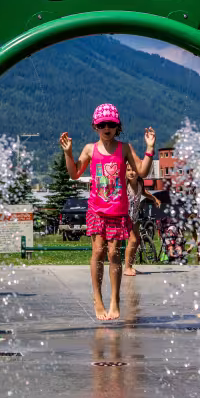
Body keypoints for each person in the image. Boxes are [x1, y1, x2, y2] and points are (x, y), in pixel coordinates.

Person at [59, 103, 156, 321]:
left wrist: (149, 149)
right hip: (96, 209)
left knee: (114, 254)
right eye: (102, 124)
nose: (106, 127)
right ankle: (97, 299)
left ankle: (115, 299)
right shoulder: (90, 149)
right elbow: (74, 174)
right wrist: (68, 153)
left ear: (117, 126)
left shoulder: (125, 149)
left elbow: (142, 171)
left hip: (118, 211)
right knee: (98, 252)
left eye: (110, 124)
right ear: (95, 127)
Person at [123, 164, 161, 276]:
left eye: (134, 170)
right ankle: (127, 268)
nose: (131, 173)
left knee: (137, 241)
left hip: (134, 216)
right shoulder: (125, 184)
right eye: (128, 170)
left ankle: (130, 266)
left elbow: (143, 192)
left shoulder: (140, 183)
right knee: (133, 240)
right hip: (125, 216)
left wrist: (154, 198)